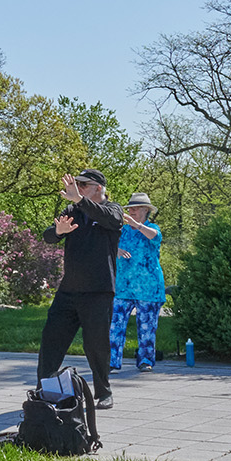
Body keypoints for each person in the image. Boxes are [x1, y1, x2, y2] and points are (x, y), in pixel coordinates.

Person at [38, 170, 123, 409]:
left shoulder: (113, 210)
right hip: (69, 290)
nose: (78, 188)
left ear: (98, 187)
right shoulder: (73, 211)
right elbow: (48, 235)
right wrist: (58, 232)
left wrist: (78, 199)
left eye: (83, 185)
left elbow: (110, 219)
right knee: (51, 340)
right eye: (77, 184)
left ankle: (103, 392)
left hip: (99, 290)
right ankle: (44, 391)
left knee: (96, 344)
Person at [109, 193, 165, 371]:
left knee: (147, 328)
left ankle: (145, 361)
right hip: (123, 287)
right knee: (114, 326)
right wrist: (115, 250)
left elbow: (154, 236)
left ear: (145, 210)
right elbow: (106, 244)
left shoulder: (152, 228)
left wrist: (138, 226)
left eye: (135, 208)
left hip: (148, 289)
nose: (131, 211)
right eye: (130, 209)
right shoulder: (122, 231)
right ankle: (111, 361)